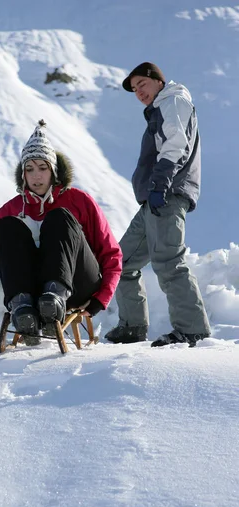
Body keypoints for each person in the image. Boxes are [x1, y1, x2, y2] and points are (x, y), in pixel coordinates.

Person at [0, 120, 122, 345]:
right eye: (30, 169)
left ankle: (54, 297)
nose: (36, 176)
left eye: (43, 168)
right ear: (23, 174)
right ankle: (24, 307)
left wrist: (100, 300)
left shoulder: (78, 200)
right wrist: (9, 298)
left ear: (53, 170)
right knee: (7, 226)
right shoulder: (12, 209)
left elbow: (111, 254)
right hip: (32, 291)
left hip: (77, 285)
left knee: (59, 218)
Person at [105, 62, 211, 348]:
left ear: (158, 81)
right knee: (121, 262)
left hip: (166, 194)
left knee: (168, 262)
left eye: (142, 84)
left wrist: (160, 183)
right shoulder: (161, 107)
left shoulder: (173, 101)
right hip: (153, 199)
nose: (139, 91)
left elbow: (177, 143)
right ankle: (133, 326)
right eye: (134, 88)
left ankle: (192, 331)